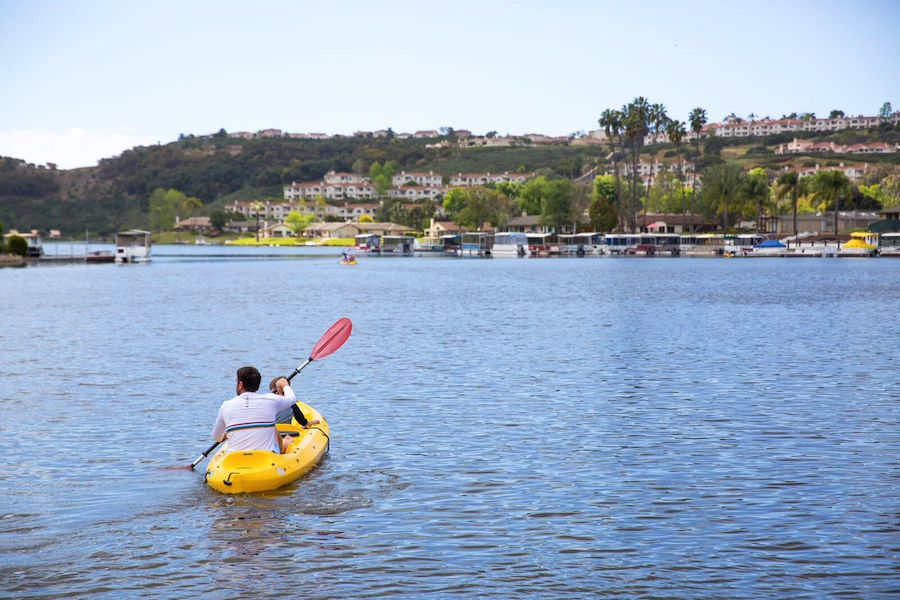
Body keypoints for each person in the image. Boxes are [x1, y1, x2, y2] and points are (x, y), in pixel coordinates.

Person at [212, 366, 298, 455]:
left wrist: (225, 435)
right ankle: (284, 445)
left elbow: (216, 437)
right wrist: (285, 385)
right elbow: (292, 399)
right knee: (273, 430)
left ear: (240, 385)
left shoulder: (226, 406)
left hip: (234, 459)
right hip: (266, 458)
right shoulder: (271, 400)